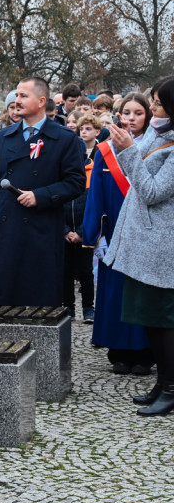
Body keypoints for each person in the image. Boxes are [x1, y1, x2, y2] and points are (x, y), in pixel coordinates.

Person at [0, 77, 85, 307]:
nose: (17, 101)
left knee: (38, 299)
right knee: (2, 298)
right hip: (6, 228)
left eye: (23, 95)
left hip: (42, 229)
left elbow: (76, 182)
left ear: (41, 101)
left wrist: (41, 196)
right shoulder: (4, 137)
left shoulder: (64, 138)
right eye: (16, 95)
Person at [102, 77, 174, 416]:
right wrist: (127, 149)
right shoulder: (161, 136)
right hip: (146, 244)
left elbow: (152, 191)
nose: (154, 109)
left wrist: (129, 150)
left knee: (163, 320)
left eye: (158, 103)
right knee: (151, 320)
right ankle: (163, 383)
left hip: (161, 249)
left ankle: (171, 388)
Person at [84, 104, 155, 376]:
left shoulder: (154, 147)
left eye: (138, 113)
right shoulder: (104, 150)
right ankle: (118, 352)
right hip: (113, 232)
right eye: (127, 113)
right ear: (119, 117)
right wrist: (97, 235)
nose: (132, 118)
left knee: (143, 294)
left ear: (147, 117)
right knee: (115, 293)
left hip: (147, 233)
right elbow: (96, 195)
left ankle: (146, 352)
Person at [62, 115, 100, 323]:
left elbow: (94, 206)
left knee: (85, 272)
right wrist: (65, 230)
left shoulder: (91, 171)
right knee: (65, 272)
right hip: (66, 231)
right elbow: (57, 204)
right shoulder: (62, 173)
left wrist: (84, 232)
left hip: (85, 231)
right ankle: (67, 306)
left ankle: (88, 307)